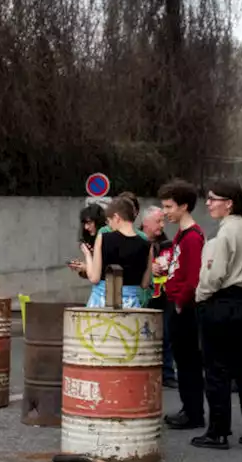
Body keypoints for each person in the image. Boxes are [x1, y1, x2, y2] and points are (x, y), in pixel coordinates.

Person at [193, 181, 242, 450]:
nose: (209, 203)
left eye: (213, 199)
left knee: (216, 370)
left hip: (221, 304)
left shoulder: (222, 236)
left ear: (229, 203)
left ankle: (218, 432)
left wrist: (200, 298)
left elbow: (213, 276)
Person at [158, 179, 207, 430]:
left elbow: (193, 277)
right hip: (177, 302)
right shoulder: (182, 235)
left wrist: (179, 301)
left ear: (184, 206)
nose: (165, 212)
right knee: (183, 361)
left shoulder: (192, 238)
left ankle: (193, 413)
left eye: (169, 207)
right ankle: (189, 408)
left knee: (188, 363)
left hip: (184, 307)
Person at [81, 197, 149, 308]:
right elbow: (145, 283)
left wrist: (88, 255)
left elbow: (94, 278)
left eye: (109, 221)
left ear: (116, 217)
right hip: (131, 305)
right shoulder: (146, 244)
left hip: (102, 302)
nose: (109, 226)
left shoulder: (103, 238)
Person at [143, 206, 177, 388]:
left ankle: (167, 373)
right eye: (158, 221)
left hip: (164, 296)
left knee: (166, 334)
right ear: (145, 222)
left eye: (163, 221)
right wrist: (148, 266)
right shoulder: (137, 241)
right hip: (144, 296)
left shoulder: (167, 244)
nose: (162, 225)